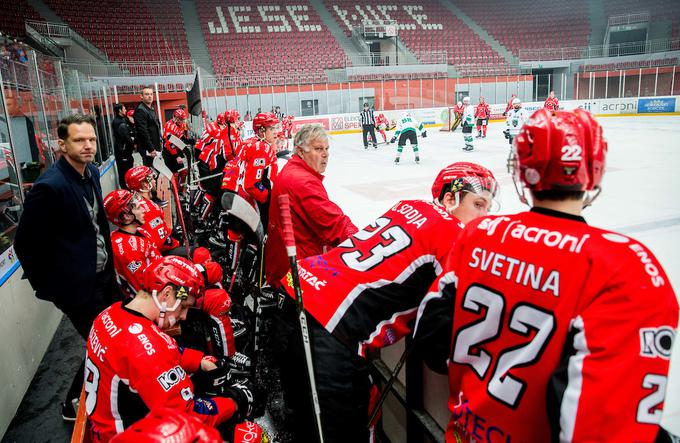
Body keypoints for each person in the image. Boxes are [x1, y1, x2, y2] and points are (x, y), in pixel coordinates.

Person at [415, 109, 679, 442]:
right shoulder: (627, 267)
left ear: (523, 171)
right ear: (593, 172)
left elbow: (430, 336)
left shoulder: (478, 234)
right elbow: (601, 423)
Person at [276, 162, 498, 442]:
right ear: (450, 198)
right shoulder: (455, 235)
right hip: (330, 330)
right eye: (479, 204)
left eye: (488, 207)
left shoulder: (409, 205)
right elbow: (438, 331)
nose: (484, 216)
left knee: (305, 423)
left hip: (295, 297)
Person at [14, 113, 121, 421]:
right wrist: (55, 286)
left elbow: (95, 226)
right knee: (105, 343)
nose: (88, 146)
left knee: (114, 338)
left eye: (91, 139)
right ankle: (73, 402)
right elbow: (25, 244)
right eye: (79, 140)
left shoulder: (93, 172)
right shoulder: (50, 187)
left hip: (104, 276)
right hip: (78, 288)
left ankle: (103, 393)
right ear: (62, 145)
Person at [85, 255, 256, 442]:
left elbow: (160, 351)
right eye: (183, 306)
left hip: (112, 426)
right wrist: (236, 399)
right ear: (166, 293)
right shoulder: (147, 350)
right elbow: (189, 418)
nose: (183, 316)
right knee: (250, 435)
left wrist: (199, 361)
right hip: (133, 435)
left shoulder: (110, 313)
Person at [265, 124, 358, 286]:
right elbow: (335, 226)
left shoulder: (293, 171)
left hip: (285, 261)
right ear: (301, 151)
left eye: (327, 149)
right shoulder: (303, 182)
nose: (325, 155)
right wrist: (363, 244)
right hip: (298, 271)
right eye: (318, 149)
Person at [103, 189, 161, 297]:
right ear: (126, 217)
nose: (144, 209)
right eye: (139, 208)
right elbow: (146, 293)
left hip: (161, 278)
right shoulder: (128, 252)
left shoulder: (138, 230)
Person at [232, 112, 280, 225]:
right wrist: (268, 197)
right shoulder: (261, 148)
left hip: (241, 196)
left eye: (275, 128)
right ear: (261, 130)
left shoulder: (254, 142)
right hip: (253, 201)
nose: (275, 132)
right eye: (271, 128)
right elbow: (252, 185)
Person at [124, 166, 181, 254]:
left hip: (149, 249)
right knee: (199, 253)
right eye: (151, 179)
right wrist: (177, 242)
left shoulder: (136, 201)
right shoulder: (149, 209)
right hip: (159, 254)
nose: (154, 181)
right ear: (145, 185)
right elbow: (161, 243)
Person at [134, 86, 162, 167]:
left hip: (155, 146)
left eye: (151, 94)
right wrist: (151, 148)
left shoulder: (151, 109)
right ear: (141, 96)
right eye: (146, 94)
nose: (150, 96)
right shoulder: (140, 110)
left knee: (157, 170)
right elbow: (143, 131)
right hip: (149, 148)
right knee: (151, 171)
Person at [112, 104, 134, 189]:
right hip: (122, 152)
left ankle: (130, 188)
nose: (125, 110)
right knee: (123, 172)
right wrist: (132, 142)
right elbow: (126, 137)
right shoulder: (117, 122)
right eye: (124, 108)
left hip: (127, 151)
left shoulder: (124, 119)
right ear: (120, 110)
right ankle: (126, 190)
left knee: (129, 169)